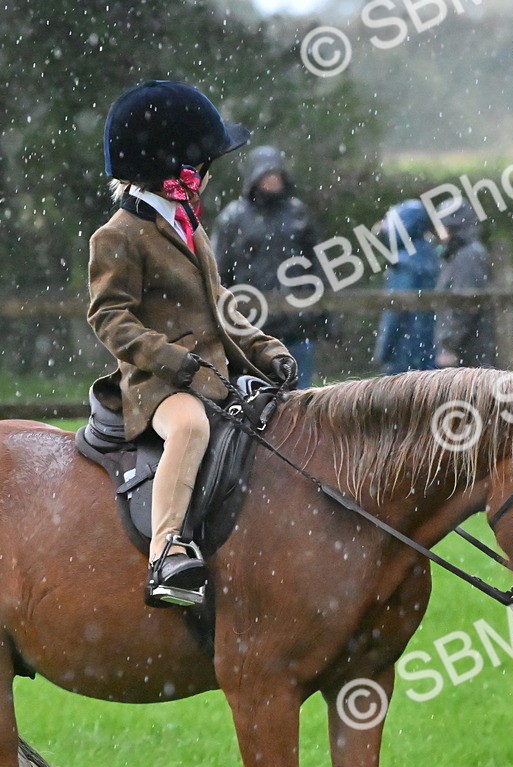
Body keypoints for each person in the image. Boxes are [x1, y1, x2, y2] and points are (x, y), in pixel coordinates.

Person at [89, 81, 296, 607]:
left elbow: (222, 306)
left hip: (214, 373)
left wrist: (268, 350)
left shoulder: (190, 227)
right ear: (179, 166)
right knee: (190, 426)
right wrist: (172, 360)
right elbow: (109, 317)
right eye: (206, 162)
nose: (209, 173)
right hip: (159, 385)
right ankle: (166, 552)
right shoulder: (117, 236)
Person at [212, 146, 326, 388]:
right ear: (255, 177)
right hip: (250, 329)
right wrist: (224, 318)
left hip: (295, 326)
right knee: (255, 403)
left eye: (276, 174)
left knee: (300, 402)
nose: (273, 180)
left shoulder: (298, 214)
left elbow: (317, 263)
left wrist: (321, 313)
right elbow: (218, 271)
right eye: (267, 175)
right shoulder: (233, 218)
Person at [373, 199, 440, 373]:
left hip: (402, 352)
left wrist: (384, 350)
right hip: (429, 350)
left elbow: (394, 313)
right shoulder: (432, 255)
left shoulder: (404, 264)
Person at [433, 200, 495, 367]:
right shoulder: (457, 253)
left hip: (468, 352)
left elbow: (466, 304)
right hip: (466, 350)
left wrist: (449, 345)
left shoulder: (467, 255)